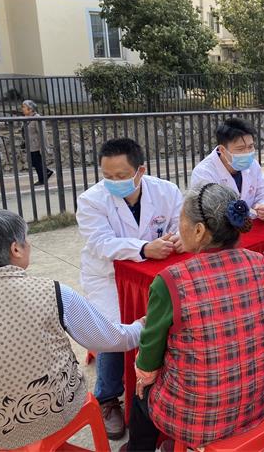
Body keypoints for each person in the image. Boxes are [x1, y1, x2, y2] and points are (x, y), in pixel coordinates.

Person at [124, 184, 264, 451]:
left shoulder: (171, 280)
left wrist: (144, 377)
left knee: (142, 396)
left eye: (181, 220)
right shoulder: (257, 262)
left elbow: (149, 356)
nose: (178, 227)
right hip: (261, 399)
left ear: (198, 231)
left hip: (201, 420)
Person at [0, 210, 143, 450]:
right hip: (53, 410)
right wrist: (142, 326)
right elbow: (111, 339)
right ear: (16, 249)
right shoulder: (51, 292)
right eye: (26, 240)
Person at [76, 137, 183, 438]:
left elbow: (179, 224)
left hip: (154, 273)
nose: (113, 182)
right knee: (112, 329)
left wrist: (178, 239)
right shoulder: (91, 200)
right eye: (107, 176)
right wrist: (144, 247)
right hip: (107, 276)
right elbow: (100, 243)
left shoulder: (167, 191)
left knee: (171, 320)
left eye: (121, 176)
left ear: (140, 171)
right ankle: (107, 396)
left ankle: (161, 384)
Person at [190, 117, 264, 220]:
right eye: (240, 149)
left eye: (250, 147)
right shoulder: (204, 173)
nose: (247, 153)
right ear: (222, 150)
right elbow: (208, 213)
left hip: (250, 225)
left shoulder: (252, 165)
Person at [20, 99, 53, 186]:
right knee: (35, 162)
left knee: (36, 162)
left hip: (36, 145)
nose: (22, 109)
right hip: (30, 145)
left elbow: (42, 133)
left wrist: (44, 146)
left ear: (30, 109)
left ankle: (43, 178)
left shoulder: (37, 118)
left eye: (24, 107)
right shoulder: (26, 118)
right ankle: (46, 173)